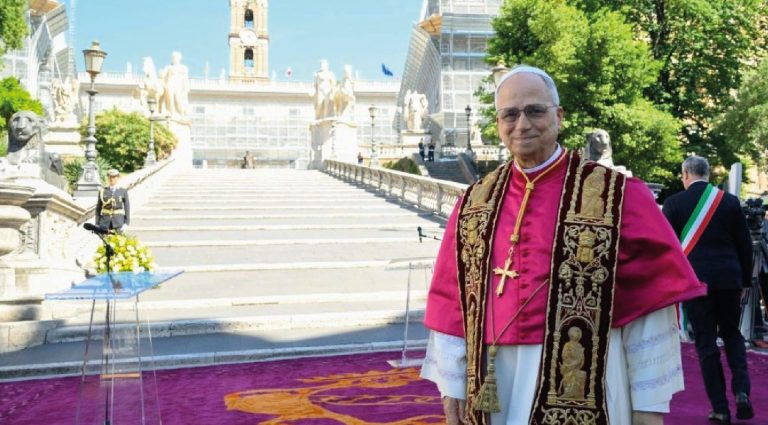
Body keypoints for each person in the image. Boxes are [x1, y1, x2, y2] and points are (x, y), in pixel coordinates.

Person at [420, 65, 706, 425]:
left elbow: (650, 305)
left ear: (559, 116)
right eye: (510, 114)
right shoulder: (474, 202)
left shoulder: (618, 196)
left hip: (590, 374)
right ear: (498, 123)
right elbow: (453, 300)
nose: (522, 124)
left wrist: (649, 405)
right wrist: (452, 384)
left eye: (535, 111)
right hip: (492, 380)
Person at [662, 156, 754, 424]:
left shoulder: (673, 203)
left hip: (696, 282)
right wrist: (745, 282)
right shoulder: (730, 201)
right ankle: (741, 391)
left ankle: (720, 409)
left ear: (685, 174)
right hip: (729, 279)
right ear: (708, 174)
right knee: (733, 335)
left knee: (706, 343)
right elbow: (745, 245)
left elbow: (666, 246)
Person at [96, 169, 130, 233]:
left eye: (114, 177)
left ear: (117, 177)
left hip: (118, 222)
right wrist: (97, 223)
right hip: (105, 223)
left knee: (118, 239)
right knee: (105, 239)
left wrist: (126, 223)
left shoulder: (123, 191)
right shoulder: (103, 191)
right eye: (110, 177)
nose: (111, 179)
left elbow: (127, 207)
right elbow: (98, 208)